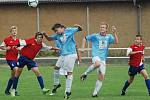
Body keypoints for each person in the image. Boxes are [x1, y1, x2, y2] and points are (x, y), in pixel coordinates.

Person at [10, 32, 59, 96]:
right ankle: (13, 90)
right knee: (17, 74)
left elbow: (48, 47)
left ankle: (43, 89)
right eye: (39, 37)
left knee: (37, 72)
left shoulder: (41, 44)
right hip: (23, 58)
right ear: (36, 37)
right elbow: (22, 43)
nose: (40, 38)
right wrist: (16, 45)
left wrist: (56, 48)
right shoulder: (31, 40)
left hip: (30, 60)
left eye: (41, 37)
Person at [43, 23, 82, 99]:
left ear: (61, 28)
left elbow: (80, 29)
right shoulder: (58, 36)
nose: (56, 32)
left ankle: (68, 92)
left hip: (70, 54)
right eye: (55, 31)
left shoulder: (69, 30)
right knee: (56, 68)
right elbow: (49, 39)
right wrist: (45, 34)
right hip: (63, 55)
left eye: (56, 30)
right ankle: (57, 84)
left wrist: (78, 26)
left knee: (68, 73)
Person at [80, 22, 118, 97]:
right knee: (97, 64)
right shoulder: (95, 36)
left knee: (101, 77)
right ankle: (85, 74)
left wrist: (115, 33)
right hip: (96, 56)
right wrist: (83, 48)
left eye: (103, 27)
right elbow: (85, 38)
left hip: (103, 59)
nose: (102, 28)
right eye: (101, 27)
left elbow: (116, 42)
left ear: (106, 29)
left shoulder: (109, 36)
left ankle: (95, 93)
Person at [0, 26, 20, 96]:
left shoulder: (18, 40)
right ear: (11, 32)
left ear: (17, 32)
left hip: (16, 60)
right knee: (17, 71)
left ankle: (7, 91)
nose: (14, 32)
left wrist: (19, 49)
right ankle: (14, 90)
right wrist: (6, 48)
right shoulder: (7, 39)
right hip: (10, 59)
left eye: (15, 31)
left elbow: (21, 48)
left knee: (13, 76)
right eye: (13, 31)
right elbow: (1, 46)